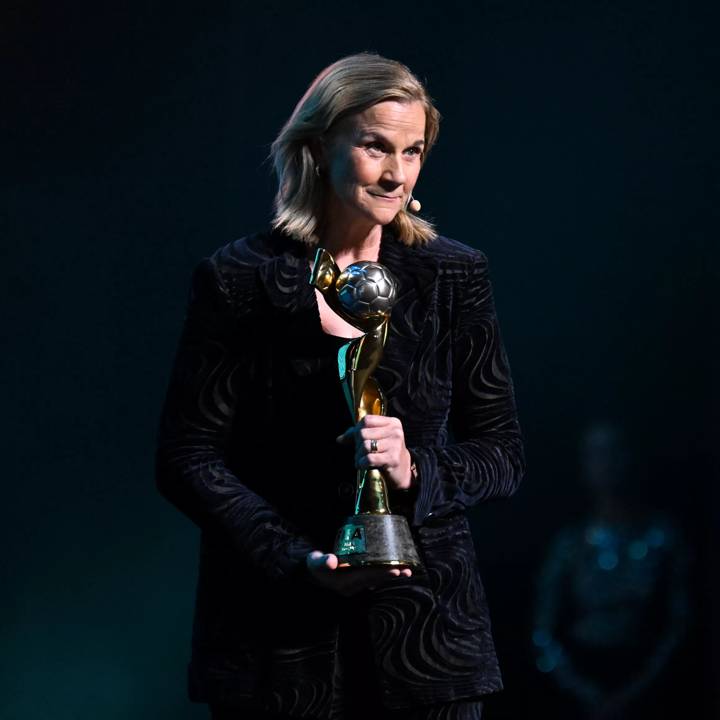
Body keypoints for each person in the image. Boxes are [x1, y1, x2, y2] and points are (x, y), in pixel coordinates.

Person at [155, 52, 525, 720]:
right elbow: (187, 459)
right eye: (376, 146)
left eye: (412, 152)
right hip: (274, 637)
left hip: (428, 646)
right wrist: (296, 558)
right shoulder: (237, 279)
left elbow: (502, 455)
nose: (396, 172)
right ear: (320, 146)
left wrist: (415, 467)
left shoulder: (455, 275)